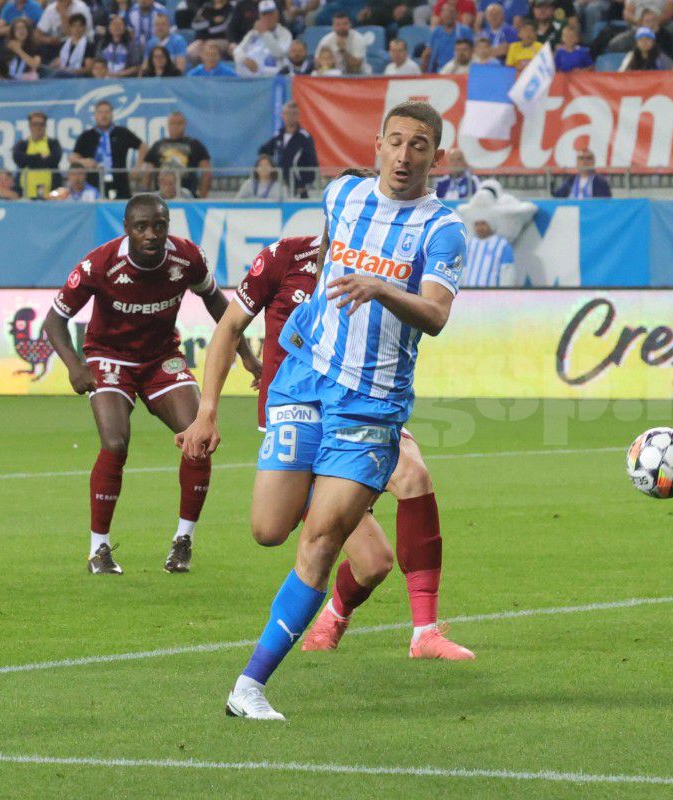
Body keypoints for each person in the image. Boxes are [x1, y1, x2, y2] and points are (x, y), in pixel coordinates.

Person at [179, 101, 470, 720]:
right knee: (267, 529)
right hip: (304, 381)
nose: (404, 155)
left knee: (319, 538)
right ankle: (329, 497)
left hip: (372, 401)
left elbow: (438, 316)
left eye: (419, 146)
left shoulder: (442, 229)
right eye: (395, 142)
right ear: (375, 146)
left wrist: (383, 288)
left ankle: (249, 686)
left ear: (436, 159)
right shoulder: (342, 198)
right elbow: (325, 272)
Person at [41, 194, 261, 576]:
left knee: (199, 437)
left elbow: (218, 307)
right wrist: (75, 366)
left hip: (160, 358)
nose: (151, 234)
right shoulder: (100, 263)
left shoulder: (186, 258)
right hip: (110, 357)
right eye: (141, 226)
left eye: (159, 225)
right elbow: (54, 321)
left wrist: (246, 354)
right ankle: (99, 549)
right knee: (115, 442)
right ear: (126, 229)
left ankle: (183, 542)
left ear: (167, 226)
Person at [71, 100, 146, 200]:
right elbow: (73, 157)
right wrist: (83, 162)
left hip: (120, 183)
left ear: (112, 114)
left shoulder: (122, 132)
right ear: (95, 115)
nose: (104, 115)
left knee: (122, 211)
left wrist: (138, 166)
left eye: (107, 112)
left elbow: (143, 146)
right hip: (94, 185)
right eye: (100, 112)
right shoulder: (86, 136)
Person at [143, 112, 213, 199]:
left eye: (179, 123)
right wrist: (145, 197)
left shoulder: (195, 144)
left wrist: (202, 197)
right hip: (161, 198)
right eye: (172, 123)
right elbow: (147, 172)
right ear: (167, 125)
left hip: (188, 198)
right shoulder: (158, 145)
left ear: (185, 125)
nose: (175, 126)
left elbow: (207, 171)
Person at [258, 100, 319, 198]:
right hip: (280, 185)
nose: (290, 117)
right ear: (282, 115)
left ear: (298, 116)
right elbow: (263, 151)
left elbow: (313, 165)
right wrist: (272, 170)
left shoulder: (304, 138)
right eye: (287, 113)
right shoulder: (278, 135)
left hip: (298, 189)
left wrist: (303, 184)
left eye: (293, 114)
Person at [232, 0, 292, 76]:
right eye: (264, 14)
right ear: (260, 17)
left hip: (272, 79)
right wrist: (244, 59)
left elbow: (279, 53)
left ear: (277, 14)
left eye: (271, 13)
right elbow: (237, 51)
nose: (268, 17)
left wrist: (264, 33)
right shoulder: (253, 33)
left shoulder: (284, 33)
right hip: (248, 79)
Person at [13, 110, 61, 199]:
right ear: (30, 126)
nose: (38, 127)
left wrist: (29, 160)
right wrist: (40, 157)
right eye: (35, 124)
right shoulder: (23, 144)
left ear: (45, 126)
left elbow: (54, 159)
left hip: (50, 195)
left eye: (41, 124)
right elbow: (18, 159)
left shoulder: (53, 143)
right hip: (25, 195)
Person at [463, 217, 515, 287]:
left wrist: (505, 295)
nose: (480, 227)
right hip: (468, 294)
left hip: (492, 295)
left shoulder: (502, 245)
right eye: (476, 224)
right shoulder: (469, 244)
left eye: (483, 223)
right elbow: (463, 271)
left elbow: (507, 273)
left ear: (491, 224)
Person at [423, 1, 471, 71]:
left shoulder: (464, 31)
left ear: (457, 14)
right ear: (441, 15)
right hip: (440, 71)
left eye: (451, 12)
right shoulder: (436, 32)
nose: (448, 14)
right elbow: (428, 54)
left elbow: (472, 52)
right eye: (444, 12)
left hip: (460, 69)